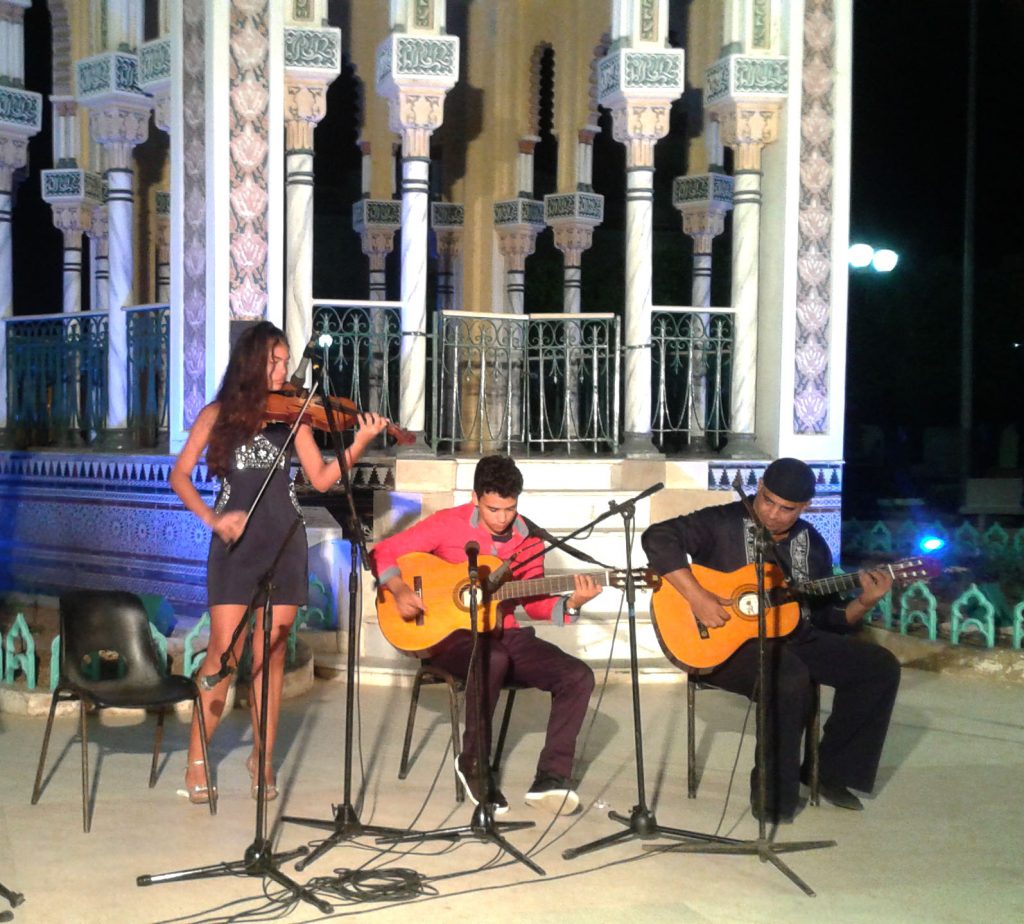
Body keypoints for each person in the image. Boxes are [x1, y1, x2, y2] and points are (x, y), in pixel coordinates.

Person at [170, 320, 388, 803]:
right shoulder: (217, 414)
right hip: (235, 548)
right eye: (274, 360)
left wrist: (358, 442)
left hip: (285, 541)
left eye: (286, 360)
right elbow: (180, 475)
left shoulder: (294, 418)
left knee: (270, 655)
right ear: (251, 361)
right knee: (222, 654)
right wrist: (213, 519)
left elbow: (323, 477)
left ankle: (262, 759)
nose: (283, 369)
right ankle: (198, 756)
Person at [641, 458, 901, 823]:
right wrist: (697, 596)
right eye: (767, 501)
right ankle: (773, 799)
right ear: (760, 488)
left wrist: (864, 602)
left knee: (878, 667)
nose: (774, 514)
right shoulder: (721, 522)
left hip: (795, 635)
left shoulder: (811, 542)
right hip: (727, 644)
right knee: (787, 675)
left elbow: (828, 619)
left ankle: (829, 773)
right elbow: (658, 537)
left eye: (787, 509)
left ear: (805, 507)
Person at [371, 455, 601, 815]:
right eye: (493, 508)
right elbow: (383, 551)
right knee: (492, 657)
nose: (502, 518)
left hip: (504, 632)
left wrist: (571, 602)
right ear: (475, 498)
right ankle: (474, 764)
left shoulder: (529, 539)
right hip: (449, 636)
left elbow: (534, 602)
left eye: (510, 509)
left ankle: (551, 779)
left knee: (577, 675)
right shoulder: (447, 524)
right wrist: (400, 590)